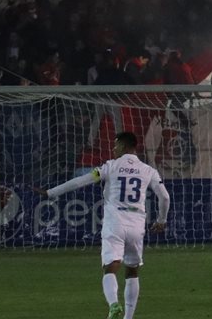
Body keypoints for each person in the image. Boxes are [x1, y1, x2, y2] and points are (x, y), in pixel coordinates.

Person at [34, 132, 170, 319]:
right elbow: (165, 197)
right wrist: (161, 220)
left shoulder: (110, 167)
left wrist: (51, 192)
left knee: (110, 267)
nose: (113, 149)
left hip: (115, 222)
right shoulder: (148, 170)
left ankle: (114, 304)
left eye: (116, 146)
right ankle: (128, 317)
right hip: (137, 224)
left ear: (123, 146)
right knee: (132, 271)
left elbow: (81, 181)